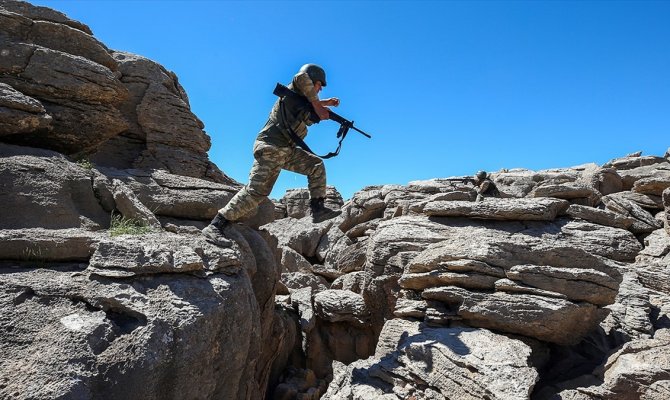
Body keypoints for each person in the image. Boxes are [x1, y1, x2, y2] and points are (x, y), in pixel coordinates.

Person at [203, 64, 342, 243]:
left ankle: (318, 209)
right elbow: (301, 77)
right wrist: (318, 104)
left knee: (315, 165)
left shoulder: (302, 103)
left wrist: (324, 105)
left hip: (285, 151)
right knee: (256, 191)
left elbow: (308, 110)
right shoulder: (296, 87)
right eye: (319, 84)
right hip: (270, 147)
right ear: (312, 79)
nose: (321, 88)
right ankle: (216, 225)